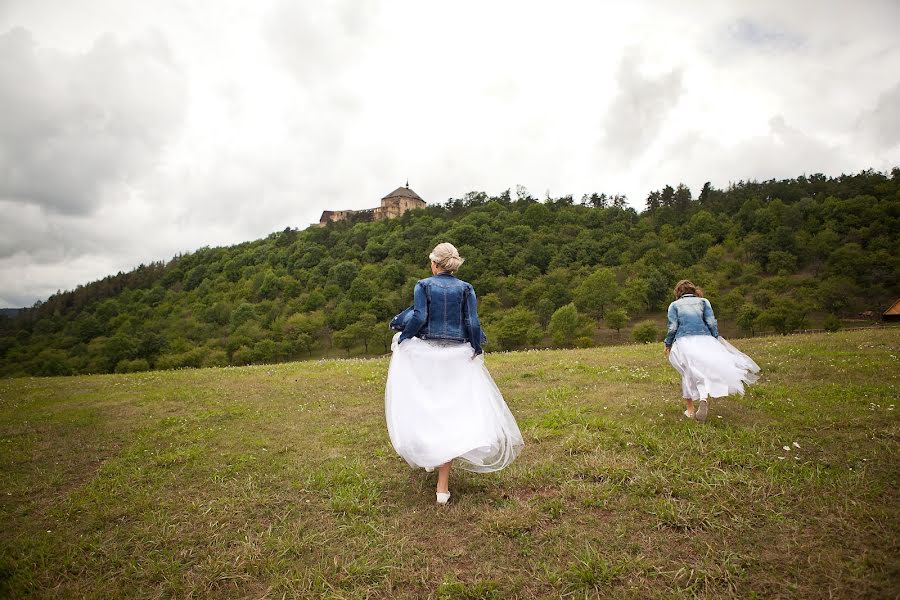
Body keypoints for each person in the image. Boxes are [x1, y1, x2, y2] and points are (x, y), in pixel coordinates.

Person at [384, 243, 524, 505]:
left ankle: (439, 475)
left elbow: (419, 316)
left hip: (426, 353)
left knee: (428, 407)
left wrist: (403, 337)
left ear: (435, 264)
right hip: (456, 356)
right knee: (451, 412)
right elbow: (472, 322)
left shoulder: (423, 285)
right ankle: (441, 485)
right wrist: (476, 347)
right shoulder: (466, 288)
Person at [663, 280, 760, 422]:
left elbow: (672, 327)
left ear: (678, 292)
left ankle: (690, 410)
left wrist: (668, 343)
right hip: (705, 339)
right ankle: (703, 398)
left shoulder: (674, 305)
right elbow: (711, 322)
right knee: (703, 370)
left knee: (688, 372)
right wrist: (715, 338)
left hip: (685, 341)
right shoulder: (704, 302)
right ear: (694, 291)